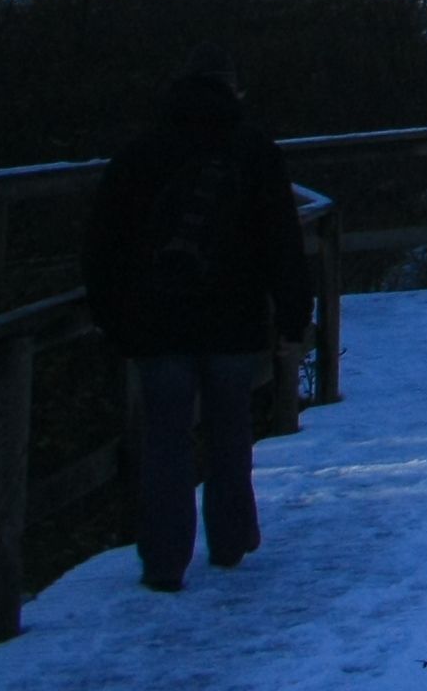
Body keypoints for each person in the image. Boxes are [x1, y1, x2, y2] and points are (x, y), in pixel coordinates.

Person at [79, 50, 315, 594]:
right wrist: (293, 316)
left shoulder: (140, 153)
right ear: (230, 93)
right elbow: (281, 238)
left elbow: (103, 246)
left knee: (165, 440)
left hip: (158, 324)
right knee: (231, 430)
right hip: (233, 321)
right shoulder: (254, 150)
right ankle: (230, 539)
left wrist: (113, 320)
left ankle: (164, 560)